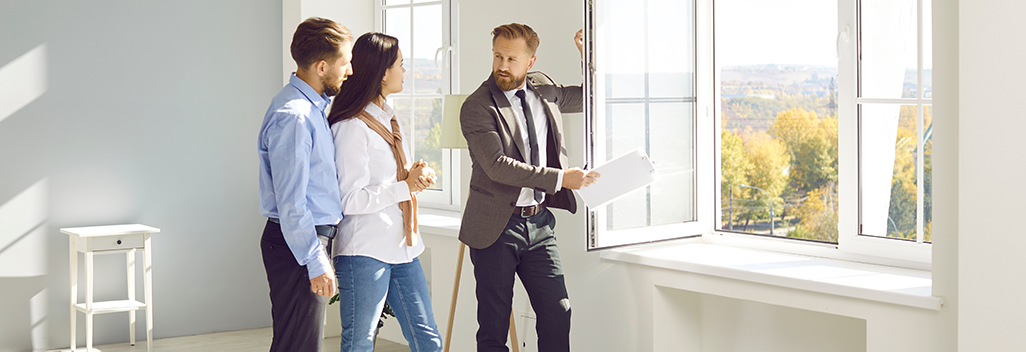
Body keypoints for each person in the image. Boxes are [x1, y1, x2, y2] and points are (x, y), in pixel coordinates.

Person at [458, 23, 599, 352]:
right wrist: (561, 179)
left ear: (531, 62)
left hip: (538, 224)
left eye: (512, 59)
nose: (502, 66)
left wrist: (586, 55)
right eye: (497, 56)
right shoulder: (478, 106)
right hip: (495, 228)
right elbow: (496, 166)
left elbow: (591, 97)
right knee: (494, 327)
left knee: (558, 312)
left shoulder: (544, 89)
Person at [326, 32, 443, 352]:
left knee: (428, 338)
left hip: (402, 247)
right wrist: (404, 187)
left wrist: (415, 175)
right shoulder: (351, 127)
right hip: (364, 250)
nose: (405, 71)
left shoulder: (390, 118)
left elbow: (390, 177)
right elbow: (349, 199)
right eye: (401, 65)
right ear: (381, 73)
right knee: (359, 342)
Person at [257, 17, 353, 351]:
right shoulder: (295, 117)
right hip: (298, 243)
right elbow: (292, 202)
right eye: (346, 62)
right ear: (322, 66)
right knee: (298, 346)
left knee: (294, 344)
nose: (350, 71)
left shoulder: (312, 109)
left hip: (302, 241)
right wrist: (315, 259)